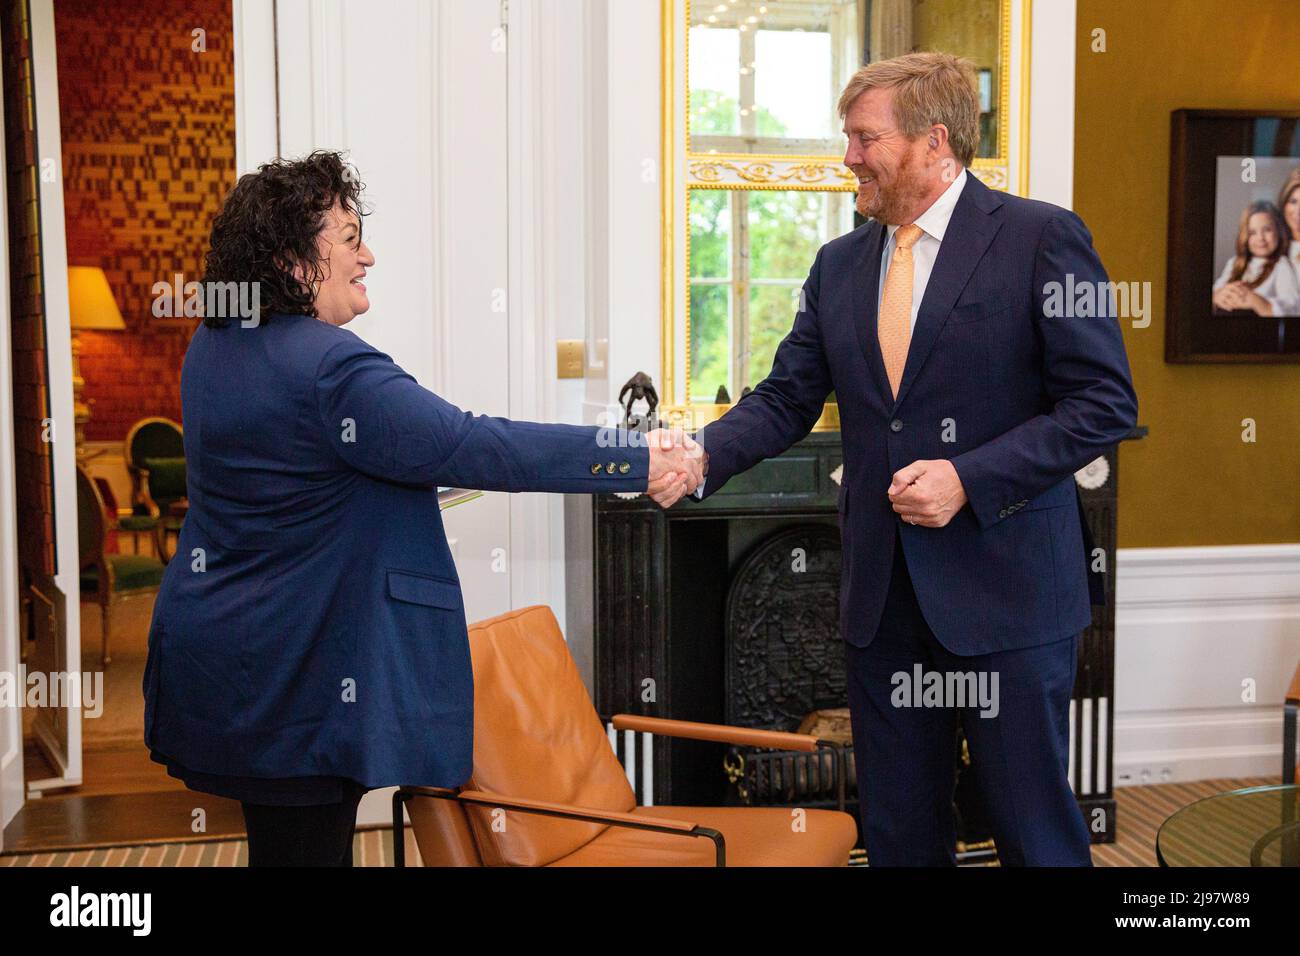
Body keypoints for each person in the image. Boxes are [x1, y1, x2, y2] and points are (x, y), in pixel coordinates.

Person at [142, 150, 703, 866]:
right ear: (291, 258)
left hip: (233, 652)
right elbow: (474, 443)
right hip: (302, 669)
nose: (367, 254)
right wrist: (634, 454)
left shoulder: (216, 345)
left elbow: (290, 479)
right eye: (349, 237)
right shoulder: (329, 366)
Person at [681, 53, 1138, 865]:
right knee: (898, 833)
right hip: (883, 605)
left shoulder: (1042, 238)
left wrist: (969, 477)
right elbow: (786, 397)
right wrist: (695, 457)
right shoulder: (839, 265)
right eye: (847, 137)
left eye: (864, 138)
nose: (848, 156)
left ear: (934, 142)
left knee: (1034, 832)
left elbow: (1105, 407)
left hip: (1011, 600)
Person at [1211, 199, 1299, 316]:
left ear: (1279, 232)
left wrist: (1255, 301)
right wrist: (1218, 295)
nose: (1260, 238)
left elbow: (1292, 307)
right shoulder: (1234, 263)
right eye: (1252, 232)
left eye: (1267, 230)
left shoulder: (1281, 265)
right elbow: (1216, 290)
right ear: (1245, 236)